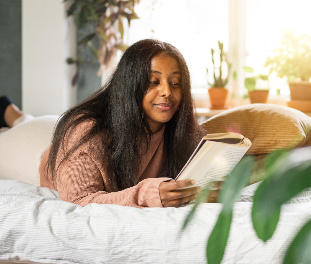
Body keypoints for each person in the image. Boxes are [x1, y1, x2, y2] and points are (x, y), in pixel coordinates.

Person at [37, 39, 206, 208]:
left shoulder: (179, 129)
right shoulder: (85, 132)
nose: (167, 92)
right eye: (154, 82)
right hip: (43, 157)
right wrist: (143, 195)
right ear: (130, 85)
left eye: (175, 83)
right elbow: (79, 199)